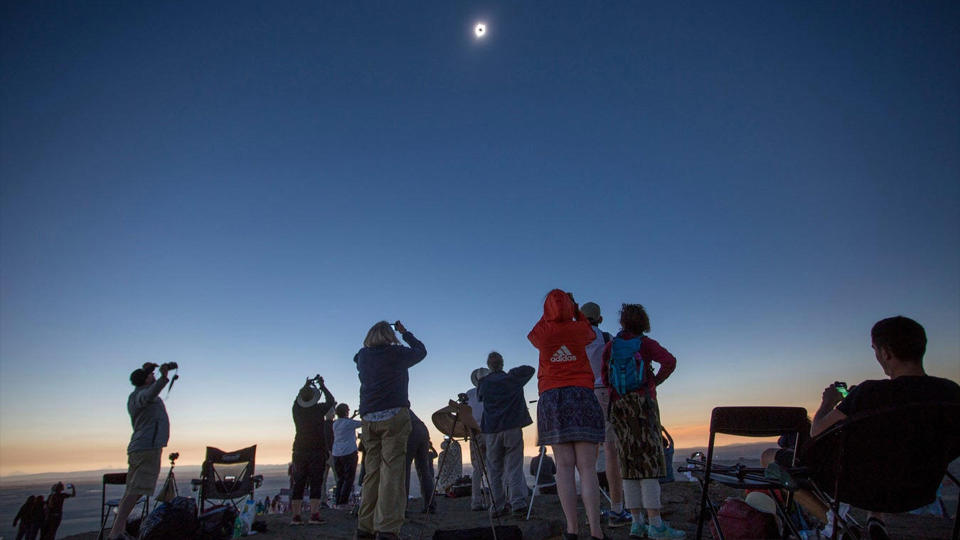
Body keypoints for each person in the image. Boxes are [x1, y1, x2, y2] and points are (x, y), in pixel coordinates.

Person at [779, 316, 960, 539]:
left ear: (885, 353)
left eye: (875, 349)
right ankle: (876, 519)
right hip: (919, 489)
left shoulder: (867, 393)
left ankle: (839, 524)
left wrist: (829, 401)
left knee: (772, 460)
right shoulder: (951, 393)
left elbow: (817, 431)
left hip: (854, 487)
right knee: (887, 449)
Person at [528, 289, 608, 540]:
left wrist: (551, 311)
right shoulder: (579, 329)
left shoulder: (543, 333)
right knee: (587, 468)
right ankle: (596, 531)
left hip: (552, 397)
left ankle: (572, 530)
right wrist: (574, 310)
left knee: (563, 466)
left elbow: (533, 333)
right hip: (582, 394)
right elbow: (588, 329)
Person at [601, 303, 683, 539]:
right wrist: (653, 382)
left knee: (628, 463)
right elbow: (670, 361)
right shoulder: (645, 344)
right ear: (643, 322)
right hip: (643, 406)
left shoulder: (611, 347)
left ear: (622, 322)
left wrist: (618, 392)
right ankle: (656, 524)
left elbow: (605, 376)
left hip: (619, 407)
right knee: (649, 463)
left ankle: (636, 522)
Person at [355, 320, 426, 540]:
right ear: (389, 336)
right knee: (392, 473)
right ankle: (386, 528)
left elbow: (357, 360)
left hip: (368, 418)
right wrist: (405, 333)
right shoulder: (396, 353)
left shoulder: (362, 356)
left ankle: (365, 527)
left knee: (372, 473)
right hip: (394, 415)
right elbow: (421, 352)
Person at [107, 362, 173, 540]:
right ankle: (116, 533)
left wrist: (147, 371)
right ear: (144, 381)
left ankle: (118, 530)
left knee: (131, 491)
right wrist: (164, 377)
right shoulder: (143, 395)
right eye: (150, 376)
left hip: (139, 448)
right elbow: (151, 391)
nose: (153, 377)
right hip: (147, 448)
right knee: (137, 490)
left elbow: (147, 388)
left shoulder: (134, 396)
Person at [580, 302, 630, 528]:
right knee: (612, 452)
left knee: (586, 456)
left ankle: (591, 512)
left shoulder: (573, 339)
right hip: (604, 393)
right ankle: (617, 510)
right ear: (599, 319)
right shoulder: (606, 337)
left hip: (581, 396)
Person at [478, 351, 535, 518]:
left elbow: (481, 397)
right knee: (514, 466)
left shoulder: (484, 383)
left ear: (489, 365)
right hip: (512, 427)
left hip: (492, 430)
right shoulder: (513, 379)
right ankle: (517, 503)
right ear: (502, 363)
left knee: (494, 470)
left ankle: (498, 506)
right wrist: (512, 373)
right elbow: (530, 369)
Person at [290, 375, 335, 525]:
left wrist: (304, 386)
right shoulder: (318, 409)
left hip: (299, 450)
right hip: (317, 450)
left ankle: (296, 516)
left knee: (299, 482)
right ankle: (314, 515)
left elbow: (297, 400)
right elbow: (331, 400)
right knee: (316, 481)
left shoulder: (296, 410)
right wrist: (322, 385)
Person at [465, 367, 490, 511]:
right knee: (494, 466)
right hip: (490, 431)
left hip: (474, 432)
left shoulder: (469, 394)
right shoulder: (492, 391)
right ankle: (497, 500)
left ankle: (476, 502)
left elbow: (465, 414)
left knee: (477, 469)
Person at [405, 410, 437, 513]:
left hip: (410, 430)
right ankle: (430, 505)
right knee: (424, 470)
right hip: (422, 430)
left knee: (403, 470)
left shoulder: (390, 406)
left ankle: (402, 508)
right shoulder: (403, 405)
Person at [333, 403, 362, 508]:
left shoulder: (335, 424)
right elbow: (364, 423)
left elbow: (345, 423)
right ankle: (343, 502)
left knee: (340, 479)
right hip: (349, 453)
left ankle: (337, 501)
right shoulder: (349, 423)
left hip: (336, 454)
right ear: (346, 411)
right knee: (349, 478)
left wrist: (353, 416)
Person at [319, 407, 336, 508]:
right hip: (332, 453)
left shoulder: (320, 425)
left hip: (322, 454)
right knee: (338, 477)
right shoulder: (334, 425)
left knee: (322, 479)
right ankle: (340, 499)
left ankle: (322, 500)